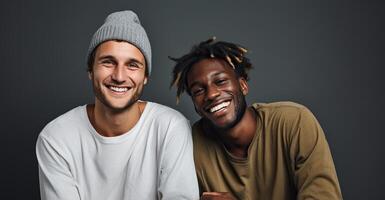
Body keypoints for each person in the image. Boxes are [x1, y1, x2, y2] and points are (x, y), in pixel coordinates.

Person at [36, 10, 199, 200]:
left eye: (132, 65)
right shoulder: (56, 138)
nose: (119, 77)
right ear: (90, 70)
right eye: (108, 62)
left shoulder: (171, 127)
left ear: (145, 77)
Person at [170, 37, 342, 200]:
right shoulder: (189, 145)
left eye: (221, 81)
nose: (212, 94)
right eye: (198, 91)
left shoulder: (293, 122)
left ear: (243, 85)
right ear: (195, 105)